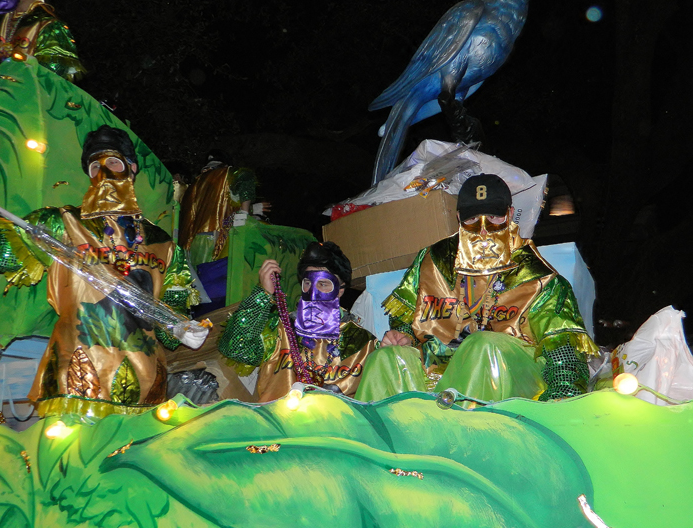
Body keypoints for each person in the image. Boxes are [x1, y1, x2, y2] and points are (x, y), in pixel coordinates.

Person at [0, 125, 205, 417]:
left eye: (113, 162)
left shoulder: (164, 244)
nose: (103, 172)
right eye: (94, 166)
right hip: (78, 381)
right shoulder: (61, 223)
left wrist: (184, 330)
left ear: (131, 167)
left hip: (147, 387)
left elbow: (170, 317)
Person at [359, 173, 598, 402]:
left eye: (493, 217)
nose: (483, 230)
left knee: (484, 345)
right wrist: (403, 336)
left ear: (510, 214)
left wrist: (561, 394)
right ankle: (384, 427)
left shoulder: (538, 278)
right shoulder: (433, 261)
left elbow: (562, 348)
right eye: (472, 219)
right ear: (459, 218)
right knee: (386, 358)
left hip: (509, 375)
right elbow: (406, 317)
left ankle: (471, 426)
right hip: (436, 372)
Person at [219, 241, 377, 402]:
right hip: (277, 415)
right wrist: (263, 294)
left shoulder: (361, 342)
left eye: (323, 284)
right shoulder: (281, 329)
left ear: (340, 291)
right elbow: (236, 349)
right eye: (308, 283)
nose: (313, 293)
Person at [178, 151, 269, 265]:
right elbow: (245, 176)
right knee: (214, 273)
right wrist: (245, 214)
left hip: (189, 244)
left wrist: (251, 209)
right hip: (214, 237)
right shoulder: (226, 174)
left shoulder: (193, 185)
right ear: (226, 165)